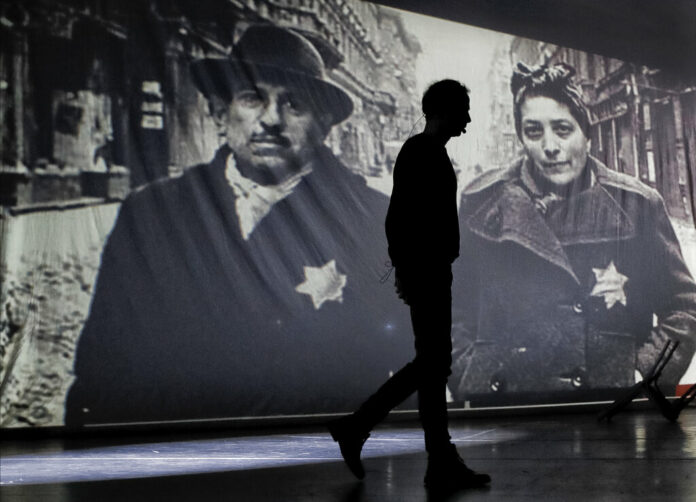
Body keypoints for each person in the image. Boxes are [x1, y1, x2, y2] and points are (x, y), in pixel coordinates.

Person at [65, 25, 413, 425]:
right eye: (252, 98)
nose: (270, 120)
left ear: (324, 125)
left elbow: (408, 371)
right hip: (181, 471)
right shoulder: (151, 214)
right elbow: (101, 369)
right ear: (219, 111)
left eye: (294, 105)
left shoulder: (376, 223)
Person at [451, 62, 696, 405]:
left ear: (587, 133)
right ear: (521, 137)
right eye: (534, 131)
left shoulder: (636, 204)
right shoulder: (482, 203)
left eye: (563, 129)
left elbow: (685, 307)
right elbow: (450, 306)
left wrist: (647, 374)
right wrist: (468, 373)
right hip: (507, 402)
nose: (550, 146)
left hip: (608, 405)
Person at [328, 80, 491, 492]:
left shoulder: (431, 153)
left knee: (434, 367)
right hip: (427, 272)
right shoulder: (419, 152)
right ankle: (359, 427)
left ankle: (439, 461)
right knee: (432, 364)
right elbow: (398, 219)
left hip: (433, 270)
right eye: (463, 110)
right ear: (442, 110)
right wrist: (405, 269)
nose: (468, 119)